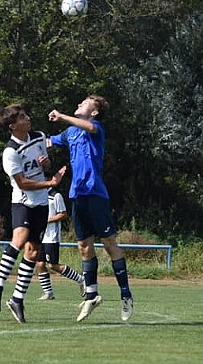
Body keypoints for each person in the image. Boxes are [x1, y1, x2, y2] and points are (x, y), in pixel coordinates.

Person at [48, 94, 134, 322]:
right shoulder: (69, 133)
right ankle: (92, 295)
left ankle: (126, 295)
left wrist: (62, 116)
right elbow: (48, 142)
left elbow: (86, 126)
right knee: (84, 246)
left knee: (108, 243)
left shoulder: (95, 127)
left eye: (84, 103)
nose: (78, 104)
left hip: (96, 194)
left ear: (94, 112)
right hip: (78, 196)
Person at [0, 103, 66, 323]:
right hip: (23, 201)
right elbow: (22, 183)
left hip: (41, 203)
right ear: (13, 126)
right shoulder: (10, 151)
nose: (28, 118)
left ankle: (17, 299)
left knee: (32, 250)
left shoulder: (39, 137)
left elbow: (45, 167)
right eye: (22, 117)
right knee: (20, 238)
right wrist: (51, 182)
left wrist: (47, 164)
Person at [36, 187, 85, 300]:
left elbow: (63, 214)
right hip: (41, 236)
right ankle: (48, 293)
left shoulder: (55, 195)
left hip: (51, 236)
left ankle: (81, 279)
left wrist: (47, 220)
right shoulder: (38, 195)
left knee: (53, 265)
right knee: (39, 264)